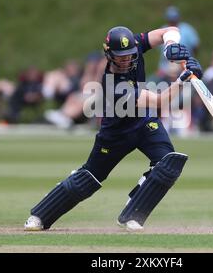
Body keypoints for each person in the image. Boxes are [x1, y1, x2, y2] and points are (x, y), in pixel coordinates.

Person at [24, 26, 203, 231]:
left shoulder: (135, 44)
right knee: (89, 178)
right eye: (121, 57)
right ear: (109, 55)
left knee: (169, 163)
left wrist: (171, 46)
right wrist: (183, 79)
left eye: (130, 55)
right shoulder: (114, 84)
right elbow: (160, 101)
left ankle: (133, 214)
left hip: (144, 123)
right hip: (116, 133)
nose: (126, 60)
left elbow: (170, 30)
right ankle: (40, 215)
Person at [157, 6, 200, 76]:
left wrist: (191, 58)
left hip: (184, 66)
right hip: (166, 67)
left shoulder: (187, 29)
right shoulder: (163, 30)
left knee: (196, 82)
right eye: (171, 19)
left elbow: (195, 46)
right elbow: (162, 54)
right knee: (152, 82)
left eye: (174, 19)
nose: (172, 21)